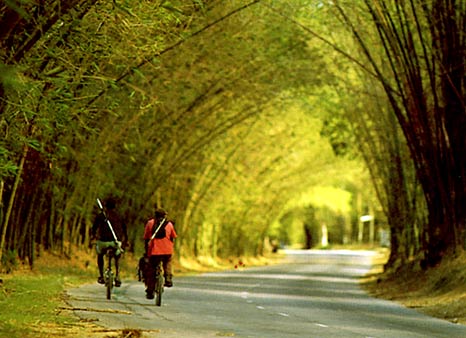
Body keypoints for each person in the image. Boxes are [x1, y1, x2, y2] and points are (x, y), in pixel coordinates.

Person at [91, 197, 128, 286]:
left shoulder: (101, 215)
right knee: (117, 256)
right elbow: (124, 230)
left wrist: (93, 236)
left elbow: (94, 228)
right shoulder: (119, 216)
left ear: (106, 206)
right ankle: (118, 275)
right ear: (115, 206)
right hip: (116, 242)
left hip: (103, 242)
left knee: (100, 255)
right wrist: (126, 240)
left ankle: (101, 275)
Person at [143, 208, 177, 299]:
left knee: (151, 269)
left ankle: (150, 290)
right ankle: (168, 278)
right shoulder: (169, 224)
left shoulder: (150, 223)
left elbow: (146, 238)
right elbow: (173, 237)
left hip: (154, 251)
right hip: (167, 251)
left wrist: (146, 252)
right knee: (167, 262)